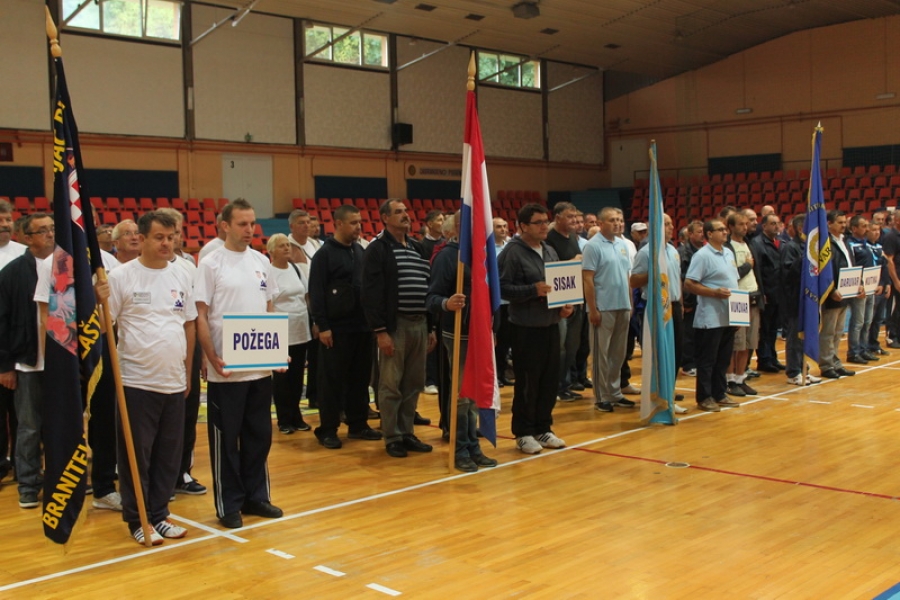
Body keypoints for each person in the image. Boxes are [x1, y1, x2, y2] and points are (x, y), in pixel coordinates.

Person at [107, 210, 196, 546]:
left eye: (171, 237)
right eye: (159, 237)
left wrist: (187, 371)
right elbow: (105, 325)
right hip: (136, 381)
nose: (166, 243)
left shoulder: (183, 272)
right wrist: (96, 299)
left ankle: (159, 514)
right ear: (141, 239)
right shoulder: (121, 276)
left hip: (173, 379)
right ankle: (137, 518)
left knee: (168, 455)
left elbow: (188, 324)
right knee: (136, 455)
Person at [194, 199, 283, 528]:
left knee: (259, 435)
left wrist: (276, 348)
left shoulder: (261, 261)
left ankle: (256, 496)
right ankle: (228, 503)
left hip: (259, 367)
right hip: (226, 369)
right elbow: (201, 314)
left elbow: (269, 307)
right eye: (242, 224)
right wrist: (209, 355)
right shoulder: (210, 263)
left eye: (252, 223)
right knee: (226, 439)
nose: (249, 230)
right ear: (225, 226)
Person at [362, 199, 436, 459]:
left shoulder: (418, 247)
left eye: (406, 211)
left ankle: (407, 432)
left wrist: (431, 327)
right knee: (390, 384)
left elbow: (428, 287)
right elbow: (370, 293)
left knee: (413, 383)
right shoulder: (377, 249)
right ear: (384, 218)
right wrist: (380, 331)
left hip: (420, 323)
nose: (406, 215)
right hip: (395, 325)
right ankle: (392, 436)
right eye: (398, 212)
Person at [426, 212, 498, 472]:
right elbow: (432, 297)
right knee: (461, 394)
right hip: (458, 332)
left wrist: (493, 329)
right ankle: (459, 449)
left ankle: (472, 446)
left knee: (474, 394)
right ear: (459, 226)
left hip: (480, 332)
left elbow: (491, 294)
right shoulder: (447, 256)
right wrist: (447, 303)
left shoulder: (483, 255)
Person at [499, 203, 572, 455]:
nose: (544, 226)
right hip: (525, 327)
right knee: (528, 382)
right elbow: (502, 288)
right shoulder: (512, 253)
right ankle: (523, 432)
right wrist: (533, 290)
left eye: (545, 221)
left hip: (551, 324)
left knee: (549, 380)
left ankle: (543, 427)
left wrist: (565, 305)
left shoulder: (549, 250)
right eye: (538, 222)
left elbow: (559, 284)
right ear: (523, 226)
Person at [307, 206, 382, 449]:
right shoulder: (324, 254)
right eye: (353, 223)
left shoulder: (360, 251)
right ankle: (328, 429)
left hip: (361, 327)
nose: (358, 227)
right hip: (336, 328)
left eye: (359, 222)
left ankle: (358, 424)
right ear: (338, 224)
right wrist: (322, 325)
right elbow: (316, 292)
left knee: (360, 379)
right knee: (331, 382)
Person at [0, 213, 54, 508]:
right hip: (28, 362)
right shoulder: (12, 273)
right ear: (26, 238)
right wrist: (5, 366)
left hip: (61, 362)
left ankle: (61, 478)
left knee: (62, 424)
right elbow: (2, 322)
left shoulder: (65, 266)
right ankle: (28, 484)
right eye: (42, 231)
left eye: (52, 229)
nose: (50, 234)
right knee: (29, 427)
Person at [156, 208, 207, 496]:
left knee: (188, 413)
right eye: (166, 233)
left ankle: (182, 472)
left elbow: (197, 315)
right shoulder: (140, 269)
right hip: (155, 352)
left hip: (188, 346)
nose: (173, 238)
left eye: (176, 232)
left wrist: (201, 354)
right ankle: (156, 475)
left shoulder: (189, 268)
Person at [630, 213, 687, 412]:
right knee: (659, 353)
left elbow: (676, 278)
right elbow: (634, 281)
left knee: (675, 352)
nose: (671, 227)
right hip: (656, 306)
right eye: (666, 224)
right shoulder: (646, 253)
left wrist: (680, 302)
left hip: (674, 305)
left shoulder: (673, 250)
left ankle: (669, 395)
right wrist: (652, 273)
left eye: (671, 224)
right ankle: (656, 396)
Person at [684, 219, 740, 412]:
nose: (725, 232)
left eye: (725, 229)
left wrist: (738, 315)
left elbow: (734, 283)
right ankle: (704, 396)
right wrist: (714, 293)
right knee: (707, 360)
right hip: (710, 317)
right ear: (709, 234)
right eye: (720, 229)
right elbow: (689, 283)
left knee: (723, 359)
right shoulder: (702, 255)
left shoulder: (728, 253)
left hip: (728, 315)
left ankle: (719, 393)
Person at [582, 207, 634, 413]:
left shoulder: (622, 244)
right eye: (613, 220)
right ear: (601, 223)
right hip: (603, 307)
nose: (618, 223)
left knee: (618, 353)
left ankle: (615, 392)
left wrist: (630, 302)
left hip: (622, 305)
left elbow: (627, 276)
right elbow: (588, 279)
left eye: (620, 220)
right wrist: (593, 308)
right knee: (601, 354)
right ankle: (601, 395)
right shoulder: (593, 246)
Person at [267, 234, 312, 434]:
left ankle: (296, 416)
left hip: (300, 329)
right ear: (271, 251)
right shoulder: (269, 272)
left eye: (288, 245)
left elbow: (306, 296)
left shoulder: (296, 269)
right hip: (280, 330)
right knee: (281, 378)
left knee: (297, 376)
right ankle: (284, 419)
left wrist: (313, 322)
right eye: (281, 246)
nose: (287, 248)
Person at [545, 202, 584, 402]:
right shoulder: (549, 239)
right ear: (558, 217)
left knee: (572, 346)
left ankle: (565, 384)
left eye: (575, 217)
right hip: (558, 301)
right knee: (559, 347)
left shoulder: (573, 238)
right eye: (570, 217)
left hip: (574, 297)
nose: (574, 221)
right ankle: (556, 387)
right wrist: (573, 262)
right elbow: (548, 268)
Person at [818, 210, 862, 379]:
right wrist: (831, 290)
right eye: (840, 222)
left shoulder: (844, 241)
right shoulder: (826, 243)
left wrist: (858, 282)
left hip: (846, 291)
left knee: (838, 331)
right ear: (829, 224)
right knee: (828, 332)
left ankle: (835, 362)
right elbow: (825, 269)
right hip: (833, 293)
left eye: (845, 222)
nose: (844, 225)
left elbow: (851, 264)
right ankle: (826, 365)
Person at [0, 199, 25, 482]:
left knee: (22, 415)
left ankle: (22, 466)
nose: (4, 225)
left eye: (7, 219)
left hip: (17, 346)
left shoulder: (23, 254)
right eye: (0, 220)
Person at [780, 214, 821, 386]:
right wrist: (804, 259)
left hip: (810, 298)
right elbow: (787, 274)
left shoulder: (811, 247)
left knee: (806, 336)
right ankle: (793, 372)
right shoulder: (791, 247)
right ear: (800, 228)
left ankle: (804, 369)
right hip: (795, 299)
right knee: (794, 337)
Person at [725, 211, 762, 397]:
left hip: (753, 296)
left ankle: (741, 378)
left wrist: (761, 294)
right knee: (735, 344)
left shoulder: (749, 244)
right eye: (740, 224)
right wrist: (747, 265)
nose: (745, 227)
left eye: (746, 224)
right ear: (731, 227)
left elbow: (757, 272)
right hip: (737, 297)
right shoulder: (727, 248)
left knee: (749, 342)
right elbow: (731, 275)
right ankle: (730, 379)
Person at [751, 214, 784, 373]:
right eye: (772, 223)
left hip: (778, 292)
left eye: (778, 223)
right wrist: (761, 292)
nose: (776, 226)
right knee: (764, 329)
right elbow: (757, 270)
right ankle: (764, 359)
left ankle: (772, 357)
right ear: (764, 226)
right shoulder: (757, 243)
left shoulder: (780, 242)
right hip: (766, 292)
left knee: (773, 329)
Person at [846, 215, 879, 364]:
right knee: (858, 322)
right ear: (854, 228)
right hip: (859, 288)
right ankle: (853, 352)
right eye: (863, 226)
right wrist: (859, 283)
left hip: (870, 286)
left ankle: (863, 349)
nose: (867, 229)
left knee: (867, 321)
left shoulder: (866, 244)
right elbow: (851, 266)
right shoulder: (850, 244)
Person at [420, 210, 445, 396]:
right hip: (429, 294)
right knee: (431, 337)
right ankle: (429, 379)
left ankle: (441, 376)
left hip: (443, 295)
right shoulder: (422, 246)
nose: (442, 223)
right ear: (429, 224)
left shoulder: (445, 244)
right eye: (439, 220)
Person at [678, 220, 704, 376]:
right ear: (690, 234)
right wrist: (686, 301)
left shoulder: (703, 250)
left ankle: (696, 360)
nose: (702, 235)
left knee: (699, 333)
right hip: (690, 299)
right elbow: (682, 278)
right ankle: (687, 364)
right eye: (699, 232)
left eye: (703, 231)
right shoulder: (684, 252)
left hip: (701, 298)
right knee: (689, 333)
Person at [492, 217, 513, 387]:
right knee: (496, 340)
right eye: (499, 227)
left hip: (511, 300)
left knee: (506, 340)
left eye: (505, 226)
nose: (503, 229)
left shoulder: (510, 247)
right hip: (496, 300)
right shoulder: (487, 248)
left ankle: (503, 372)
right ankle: (494, 375)